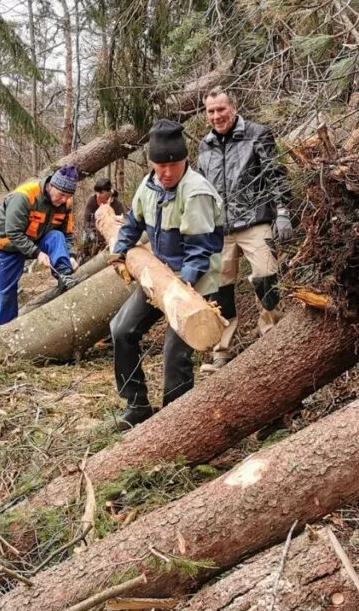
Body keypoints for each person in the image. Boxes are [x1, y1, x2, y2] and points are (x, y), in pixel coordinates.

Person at [108, 119, 225, 429]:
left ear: (185, 159)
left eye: (173, 164)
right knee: (121, 330)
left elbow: (201, 250)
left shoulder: (196, 191)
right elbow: (132, 224)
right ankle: (136, 405)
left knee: (175, 353)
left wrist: (180, 291)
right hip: (158, 275)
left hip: (194, 281)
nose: (167, 172)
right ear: (152, 163)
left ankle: (176, 423)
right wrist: (118, 252)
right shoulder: (148, 186)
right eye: (160, 165)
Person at [197, 89, 293, 369]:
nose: (216, 116)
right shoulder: (205, 146)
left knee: (267, 276)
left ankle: (272, 338)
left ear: (234, 108)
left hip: (255, 220)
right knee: (220, 289)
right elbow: (201, 189)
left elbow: (276, 175)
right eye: (211, 111)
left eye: (221, 109)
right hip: (220, 229)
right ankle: (222, 350)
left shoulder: (257, 134)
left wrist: (283, 213)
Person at [0, 166, 79, 327]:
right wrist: (37, 253)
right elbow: (13, 232)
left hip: (36, 238)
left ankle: (65, 276)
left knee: (56, 237)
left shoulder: (66, 204)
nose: (64, 199)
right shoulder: (25, 196)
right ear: (51, 186)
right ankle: (4, 329)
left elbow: (67, 234)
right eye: (61, 195)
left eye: (68, 196)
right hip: (6, 246)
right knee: (7, 292)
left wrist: (71, 255)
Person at [80, 177, 124, 257]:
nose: (98, 195)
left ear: (109, 192)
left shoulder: (117, 204)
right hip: (92, 231)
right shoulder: (92, 201)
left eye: (101, 192)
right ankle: (83, 256)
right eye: (97, 192)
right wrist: (90, 233)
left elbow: (120, 224)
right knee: (85, 240)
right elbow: (86, 221)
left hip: (109, 234)